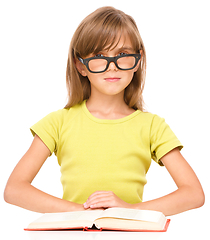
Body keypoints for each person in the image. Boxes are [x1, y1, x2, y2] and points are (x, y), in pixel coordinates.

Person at [4, 6, 204, 216]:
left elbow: (193, 194)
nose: (112, 66)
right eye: (99, 54)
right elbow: (14, 189)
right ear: (80, 65)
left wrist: (129, 210)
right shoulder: (57, 123)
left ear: (138, 60)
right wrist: (82, 211)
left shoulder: (153, 126)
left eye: (123, 54)